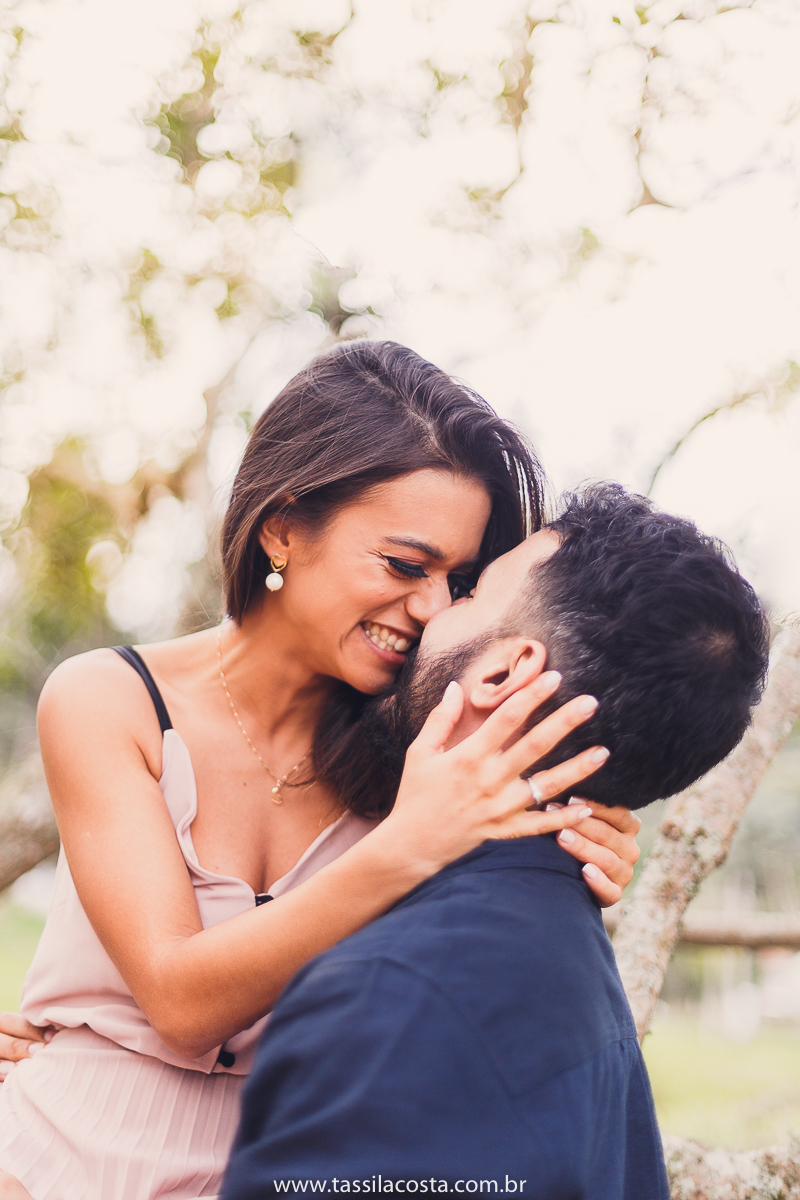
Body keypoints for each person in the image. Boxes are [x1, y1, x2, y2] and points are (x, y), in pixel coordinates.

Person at [0, 343, 640, 1200]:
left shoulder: (429, 758)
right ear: (283, 525)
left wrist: (581, 843)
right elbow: (179, 1001)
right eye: (405, 565)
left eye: (461, 582)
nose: (432, 610)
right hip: (43, 1162)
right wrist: (408, 847)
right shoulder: (108, 700)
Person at [221, 484, 770, 1199]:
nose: (435, 609)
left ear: (502, 673)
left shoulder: (393, 998)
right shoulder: (575, 964)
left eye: (471, 592)